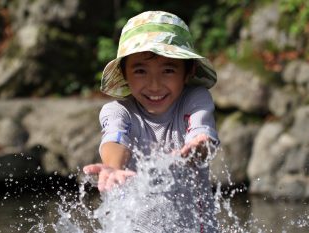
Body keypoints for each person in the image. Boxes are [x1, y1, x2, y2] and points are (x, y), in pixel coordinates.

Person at [83, 11, 220, 232]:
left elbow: (201, 131)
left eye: (168, 70)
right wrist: (112, 167)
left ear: (189, 71)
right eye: (140, 71)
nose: (154, 85)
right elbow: (115, 139)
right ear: (124, 74)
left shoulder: (194, 99)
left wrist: (199, 146)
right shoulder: (118, 111)